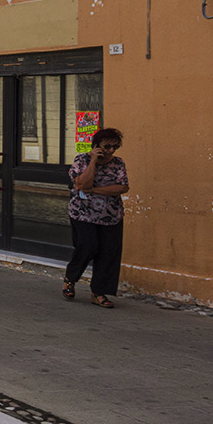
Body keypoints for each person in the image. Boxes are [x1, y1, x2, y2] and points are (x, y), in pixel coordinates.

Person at [64, 127, 128, 308]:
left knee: (109, 252)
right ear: (97, 145)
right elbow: (82, 183)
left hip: (111, 215)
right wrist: (93, 162)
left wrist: (94, 191)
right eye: (107, 146)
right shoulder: (81, 160)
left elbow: (122, 187)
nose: (111, 151)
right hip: (83, 213)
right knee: (88, 246)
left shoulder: (118, 164)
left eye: (115, 147)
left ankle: (98, 292)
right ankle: (70, 278)